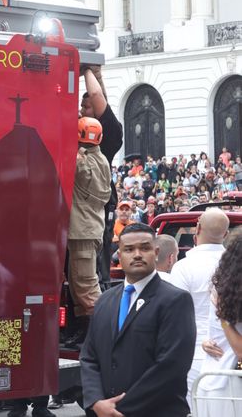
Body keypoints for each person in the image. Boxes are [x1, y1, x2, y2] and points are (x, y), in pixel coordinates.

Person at [80, 222, 196, 417]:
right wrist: (96, 401)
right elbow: (89, 356)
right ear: (120, 255)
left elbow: (171, 365)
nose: (137, 254)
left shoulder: (176, 300)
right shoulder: (105, 300)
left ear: (156, 251)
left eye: (144, 247)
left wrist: (117, 409)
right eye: (129, 249)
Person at [170, 206, 230, 402]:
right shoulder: (234, 267)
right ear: (226, 234)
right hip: (231, 354)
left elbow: (174, 317)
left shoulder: (183, 267)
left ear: (197, 229)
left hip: (192, 355)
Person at [65, 116, 112, 347]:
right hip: (88, 229)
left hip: (82, 231)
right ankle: (86, 333)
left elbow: (72, 168)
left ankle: (102, 336)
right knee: (79, 285)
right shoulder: (101, 159)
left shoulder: (82, 161)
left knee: (85, 287)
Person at [79, 66, 123, 285]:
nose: (81, 111)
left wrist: (87, 66)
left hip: (96, 212)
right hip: (81, 212)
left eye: (86, 107)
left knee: (97, 266)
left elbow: (98, 96)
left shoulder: (110, 133)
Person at [196, 229, 242, 416]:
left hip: (213, 382)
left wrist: (223, 320)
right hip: (227, 384)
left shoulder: (222, 290)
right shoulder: (221, 292)